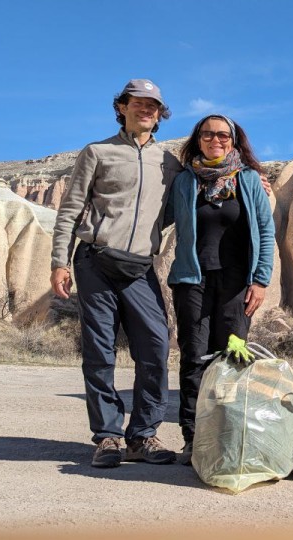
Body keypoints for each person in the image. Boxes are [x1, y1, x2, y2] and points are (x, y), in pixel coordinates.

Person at [50, 79, 182, 468]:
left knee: (156, 348)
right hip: (96, 261)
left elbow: (176, 209)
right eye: (138, 103)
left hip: (140, 266)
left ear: (160, 115)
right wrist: (60, 261)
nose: (146, 110)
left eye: (153, 106)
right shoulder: (98, 152)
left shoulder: (168, 162)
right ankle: (108, 437)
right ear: (122, 107)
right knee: (99, 351)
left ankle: (142, 437)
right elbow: (70, 210)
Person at [164, 114, 275, 464]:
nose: (216, 140)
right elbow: (161, 216)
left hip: (237, 285)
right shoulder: (185, 182)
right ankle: (193, 440)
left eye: (223, 135)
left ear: (234, 140)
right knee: (194, 358)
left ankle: (229, 436)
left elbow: (265, 231)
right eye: (208, 134)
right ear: (198, 139)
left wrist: (261, 280)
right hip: (192, 281)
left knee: (233, 359)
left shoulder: (248, 181)